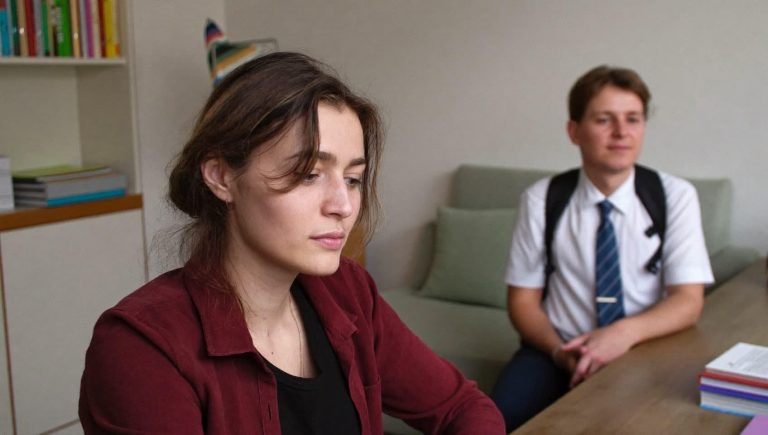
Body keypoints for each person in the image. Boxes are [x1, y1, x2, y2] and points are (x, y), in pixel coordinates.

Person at [79, 52, 505, 434]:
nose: (343, 206)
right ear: (222, 177)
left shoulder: (348, 292)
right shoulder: (140, 348)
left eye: (353, 179)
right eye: (308, 174)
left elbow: (463, 408)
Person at [490, 65, 714, 431]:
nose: (622, 132)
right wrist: (560, 353)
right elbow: (523, 302)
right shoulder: (541, 199)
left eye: (633, 119)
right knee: (495, 421)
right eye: (604, 120)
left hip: (643, 345)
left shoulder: (675, 196)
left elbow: (688, 300)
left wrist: (622, 334)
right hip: (558, 348)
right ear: (574, 131)